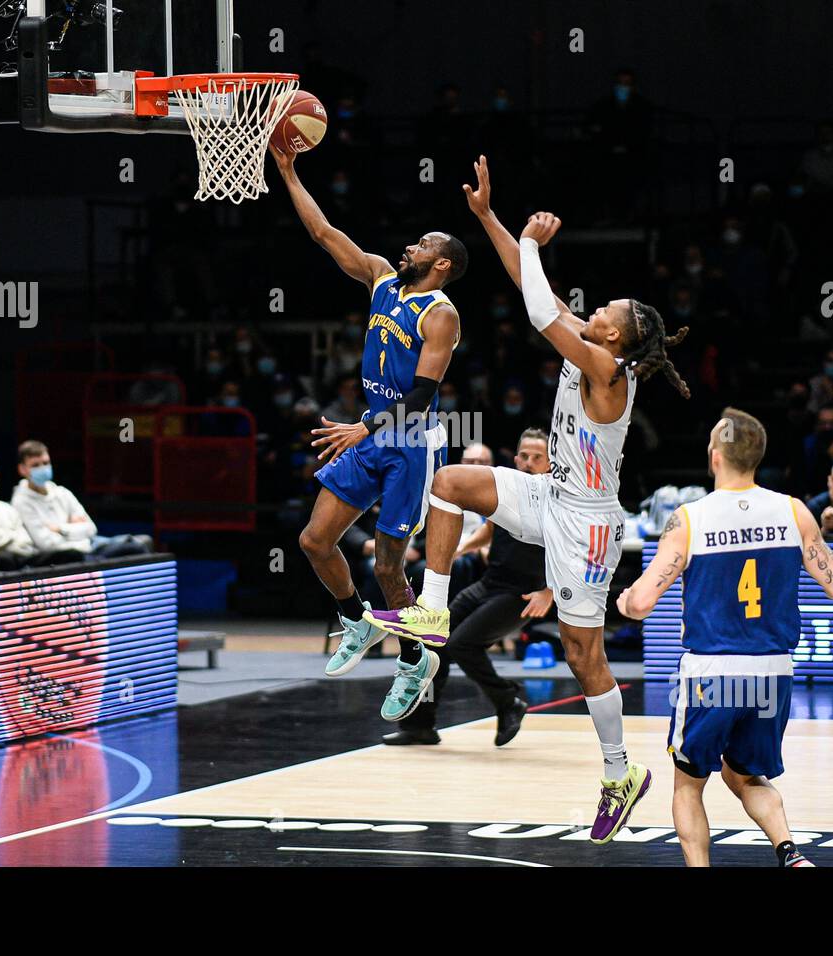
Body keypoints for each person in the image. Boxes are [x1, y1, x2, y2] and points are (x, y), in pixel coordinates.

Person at [366, 158, 691, 844]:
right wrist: (488, 217)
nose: (598, 309)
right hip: (550, 493)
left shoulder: (608, 370)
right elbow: (527, 284)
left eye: (609, 312)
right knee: (449, 482)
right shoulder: (589, 344)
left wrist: (539, 243)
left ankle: (617, 773)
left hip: (588, 523)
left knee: (583, 655)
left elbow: (540, 305)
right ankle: (430, 603)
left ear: (620, 338)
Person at [270, 140, 467, 722]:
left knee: (387, 566)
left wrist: (363, 428)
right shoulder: (382, 278)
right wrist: (288, 170)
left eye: (424, 244)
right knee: (313, 541)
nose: (411, 245)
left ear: (443, 265)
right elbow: (325, 233)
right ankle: (356, 621)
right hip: (370, 433)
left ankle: (415, 660)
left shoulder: (442, 313)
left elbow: (425, 395)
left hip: (409, 443)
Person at [617, 409, 833, 867]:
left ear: (714, 456)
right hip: (773, 671)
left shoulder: (690, 518)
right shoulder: (793, 510)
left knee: (688, 782)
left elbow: (642, 604)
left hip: (712, 671)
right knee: (745, 774)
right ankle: (790, 852)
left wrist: (625, 599)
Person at [385, 429, 554, 747]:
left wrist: (551, 592)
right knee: (434, 639)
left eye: (537, 458)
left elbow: (575, 550)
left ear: (550, 463)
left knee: (462, 644)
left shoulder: (556, 499)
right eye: (524, 456)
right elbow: (489, 530)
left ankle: (508, 701)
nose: (529, 463)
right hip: (489, 584)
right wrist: (458, 550)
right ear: (516, 459)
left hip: (523, 593)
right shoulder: (510, 490)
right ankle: (421, 725)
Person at [11, 441, 152, 562]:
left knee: (139, 543)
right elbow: (46, 544)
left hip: (90, 544)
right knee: (131, 548)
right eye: (35, 465)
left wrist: (61, 529)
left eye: (46, 463)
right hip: (66, 555)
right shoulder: (20, 501)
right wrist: (75, 528)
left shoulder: (62, 492)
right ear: (22, 469)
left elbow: (91, 528)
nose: (42, 468)